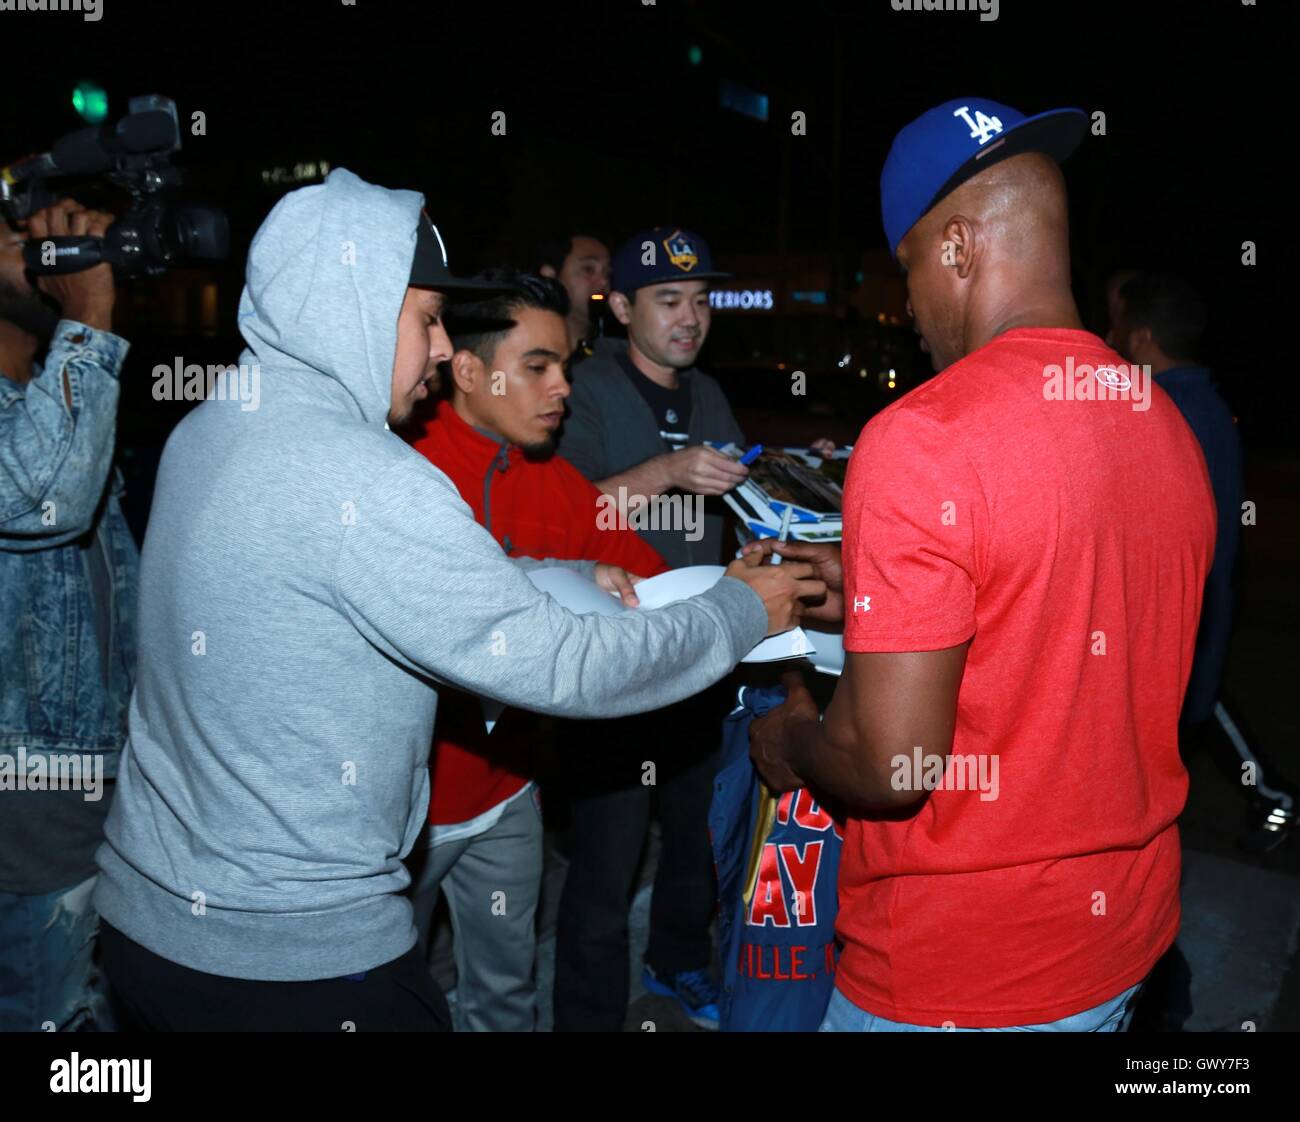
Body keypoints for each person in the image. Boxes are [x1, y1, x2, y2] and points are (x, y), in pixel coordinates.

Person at [92, 169, 820, 1031]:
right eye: (426, 320)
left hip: (149, 919)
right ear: (351, 303)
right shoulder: (366, 475)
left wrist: (538, 567)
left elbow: (343, 577)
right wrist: (739, 610)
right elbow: (566, 666)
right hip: (289, 955)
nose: (442, 349)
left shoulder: (215, 424)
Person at [747, 97, 1216, 1032]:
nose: (908, 306)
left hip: (959, 974)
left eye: (909, 269)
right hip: (1122, 939)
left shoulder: (922, 436)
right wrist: (868, 589)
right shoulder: (1163, 422)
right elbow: (1058, 605)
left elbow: (891, 767)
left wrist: (793, 744)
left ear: (958, 249)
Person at [404, 268, 669, 1031]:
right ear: (466, 369)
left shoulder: (558, 483)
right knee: (391, 1002)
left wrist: (746, 594)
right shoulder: (403, 473)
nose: (563, 388)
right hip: (405, 811)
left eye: (566, 366)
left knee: (505, 998)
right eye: (537, 367)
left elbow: (654, 591)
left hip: (509, 797)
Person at [549, 226, 754, 1030]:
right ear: (623, 305)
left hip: (699, 653)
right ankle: (588, 1018)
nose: (691, 318)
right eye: (669, 300)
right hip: (619, 657)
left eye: (702, 301)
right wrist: (667, 470)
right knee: (605, 863)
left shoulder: (706, 392)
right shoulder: (587, 388)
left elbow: (728, 508)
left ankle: (677, 968)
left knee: (697, 836)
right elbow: (566, 521)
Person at [0, 199, 136, 1032]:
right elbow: (46, 498)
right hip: (26, 810)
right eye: (20, 239)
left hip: (88, 789)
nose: (50, 251)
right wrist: (89, 316)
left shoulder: (54, 402)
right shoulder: (72, 384)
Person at [1108, 270, 1295, 847]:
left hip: (1184, 610)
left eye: (1115, 324)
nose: (1108, 336)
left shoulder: (1166, 411)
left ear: (1141, 338)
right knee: (1198, 711)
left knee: (1199, 708)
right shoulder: (1201, 401)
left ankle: (1274, 801)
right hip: (1199, 605)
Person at [535, 233, 611, 360]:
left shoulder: (617, 352)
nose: (603, 282)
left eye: (607, 273)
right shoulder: (522, 349)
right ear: (550, 277)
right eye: (588, 269)